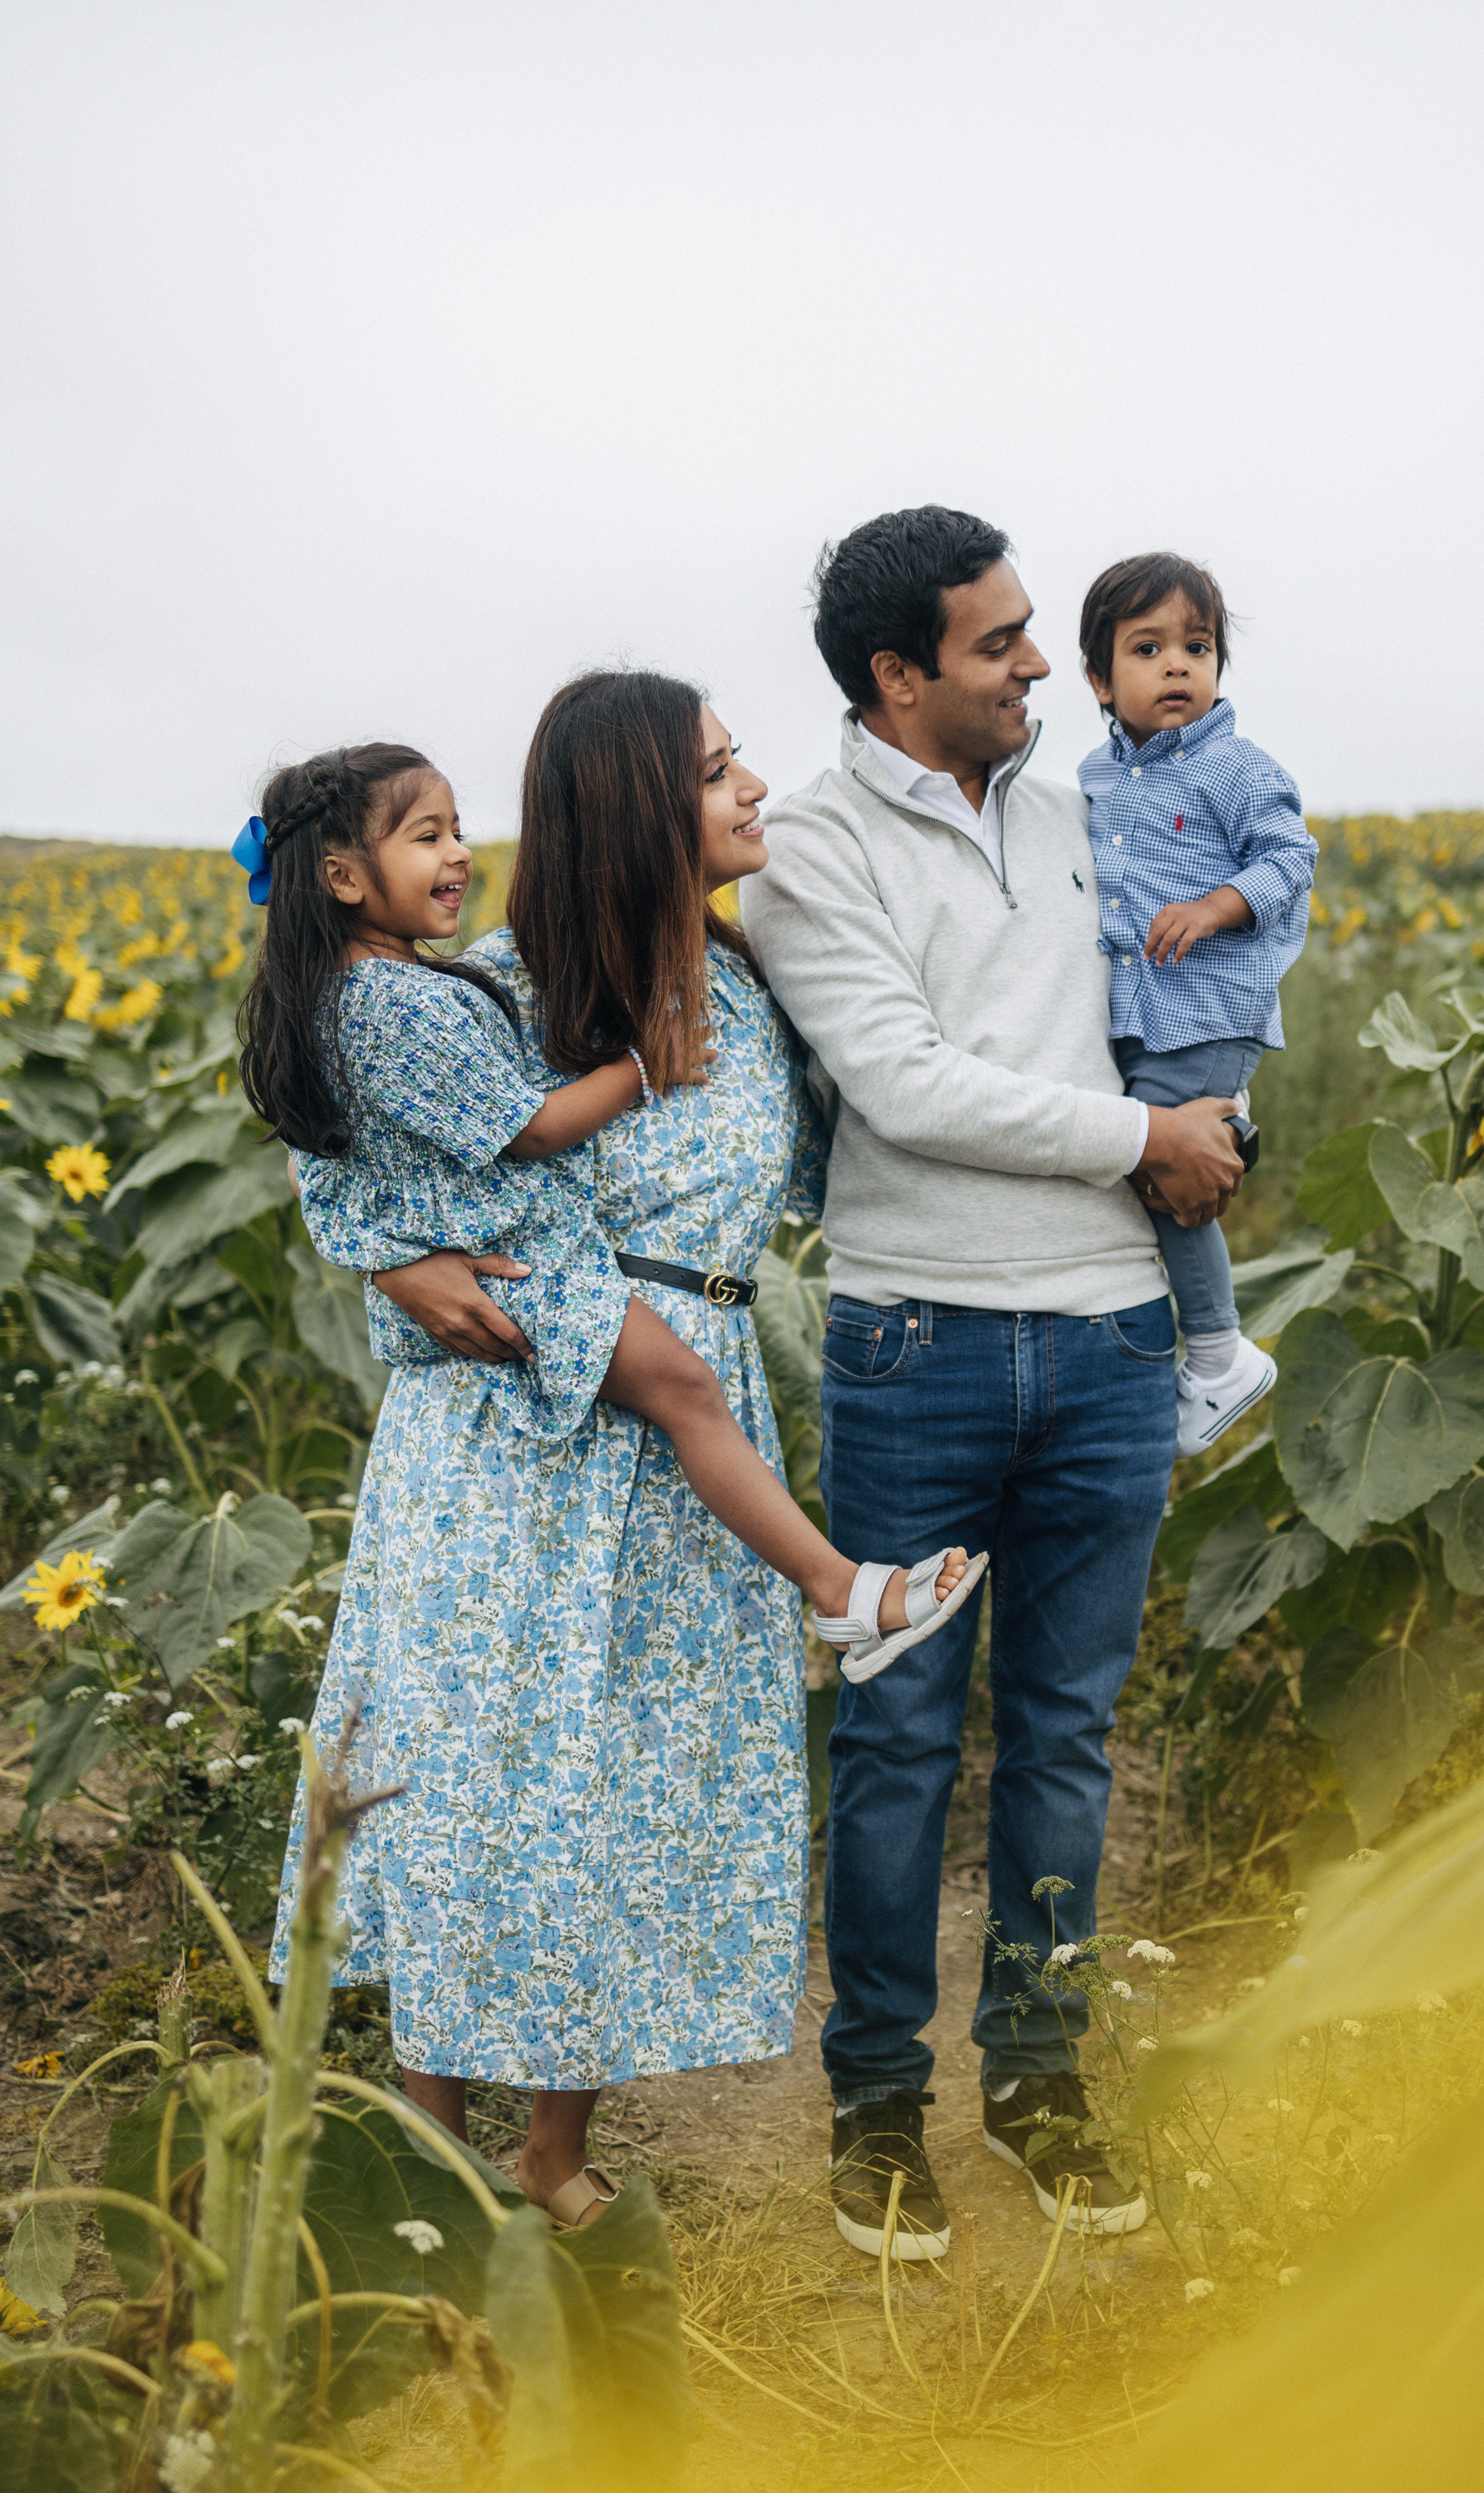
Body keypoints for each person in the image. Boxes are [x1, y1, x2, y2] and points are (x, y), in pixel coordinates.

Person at [255, 684, 972, 2232]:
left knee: (616, 1795)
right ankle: (429, 2156)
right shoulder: (512, 986)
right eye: (716, 771)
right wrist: (391, 1271)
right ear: (640, 811)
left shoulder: (756, 980)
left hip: (693, 1420)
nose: (753, 786)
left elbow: (863, 1142)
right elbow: (349, 1141)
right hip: (519, 1436)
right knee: (478, 1782)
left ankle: (549, 2154)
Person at [742, 505, 1246, 2261]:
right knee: (894, 1738)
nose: (1045, 661)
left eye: (1036, 629)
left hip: (1114, 1335)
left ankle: (1039, 2081)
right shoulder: (808, 850)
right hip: (920, 1343)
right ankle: (880, 2107)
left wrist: (1215, 1117)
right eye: (1002, 640)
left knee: (1063, 1736)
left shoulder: (1087, 805)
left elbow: (1191, 996)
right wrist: (1141, 1141)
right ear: (899, 675)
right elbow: (903, 1083)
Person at [236, 740, 977, 1675]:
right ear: (342, 877)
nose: (460, 853)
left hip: (545, 1280)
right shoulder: (449, 991)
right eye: (428, 837)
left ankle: (840, 1592)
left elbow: (333, 1139)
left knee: (693, 1402)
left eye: (457, 830)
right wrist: (640, 1066)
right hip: (538, 1280)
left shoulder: (383, 994)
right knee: (688, 1395)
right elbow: (515, 1132)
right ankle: (840, 1592)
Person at [1079, 552, 1318, 1454]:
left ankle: (1219, 1354)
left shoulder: (1235, 768)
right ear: (1099, 680)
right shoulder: (1094, 778)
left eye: (1197, 646)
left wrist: (1216, 907)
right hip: (1139, 1015)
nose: (1176, 665)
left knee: (1162, 1169)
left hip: (1209, 1007)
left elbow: (1291, 858)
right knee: (1142, 1168)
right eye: (1147, 649)